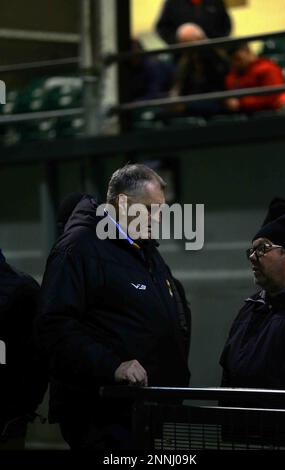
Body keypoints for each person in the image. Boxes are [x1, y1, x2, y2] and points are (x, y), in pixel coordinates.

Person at [35, 164, 191, 450]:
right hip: (102, 415)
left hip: (145, 411)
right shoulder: (79, 248)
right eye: (151, 209)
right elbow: (54, 325)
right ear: (122, 202)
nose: (159, 218)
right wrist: (112, 366)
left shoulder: (146, 252)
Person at [220, 198, 285, 406]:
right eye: (252, 251)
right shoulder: (250, 310)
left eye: (262, 249)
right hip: (241, 434)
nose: (252, 257)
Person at [0, 249, 47, 449]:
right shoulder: (21, 288)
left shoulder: (21, 290)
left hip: (7, 417)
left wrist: (20, 411)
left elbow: (36, 361)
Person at [168, 24, 228, 117]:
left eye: (187, 43)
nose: (185, 49)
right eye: (182, 44)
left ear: (200, 39)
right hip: (193, 100)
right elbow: (179, 84)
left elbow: (218, 88)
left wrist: (185, 105)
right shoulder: (186, 59)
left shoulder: (216, 56)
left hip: (214, 101)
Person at [225, 43, 285, 113]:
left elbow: (273, 98)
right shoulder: (234, 74)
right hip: (243, 114)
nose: (235, 63)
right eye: (232, 61)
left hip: (269, 113)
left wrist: (241, 103)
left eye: (238, 59)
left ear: (248, 52)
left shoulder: (267, 68)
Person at [156, 0, 231, 45]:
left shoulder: (215, 1)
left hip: (212, 51)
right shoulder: (172, 2)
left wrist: (213, 41)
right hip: (182, 54)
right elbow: (162, 27)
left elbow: (226, 25)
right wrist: (178, 38)